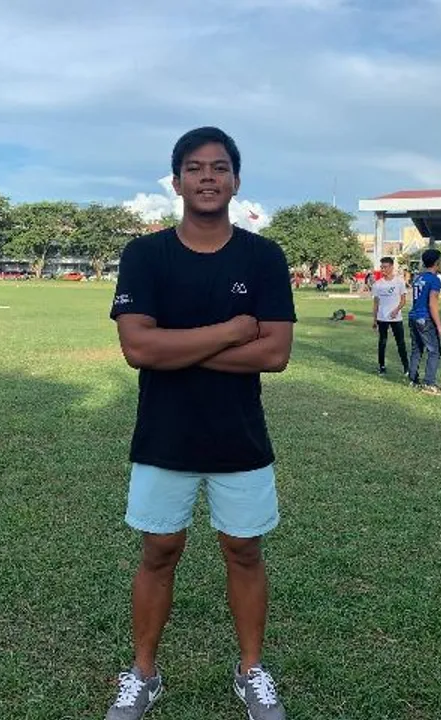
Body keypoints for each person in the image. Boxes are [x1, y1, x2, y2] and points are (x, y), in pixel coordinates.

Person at [107, 127, 295, 720]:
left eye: (219, 167)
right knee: (158, 551)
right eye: (194, 167)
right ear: (177, 181)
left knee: (244, 551)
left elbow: (275, 354)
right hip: (164, 434)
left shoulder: (263, 257)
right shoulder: (146, 255)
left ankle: (251, 671)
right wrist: (233, 331)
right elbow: (138, 348)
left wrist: (176, 348)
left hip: (239, 434)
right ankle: (143, 673)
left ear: (236, 180)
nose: (207, 177)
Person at [407, 249, 441, 395]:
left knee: (417, 349)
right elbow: (432, 304)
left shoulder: (418, 278)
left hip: (413, 316)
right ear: (437, 262)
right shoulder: (434, 280)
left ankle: (413, 379)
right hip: (425, 318)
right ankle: (429, 384)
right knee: (434, 351)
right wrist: (439, 327)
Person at [371, 257, 408, 375]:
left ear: (392, 267)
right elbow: (376, 303)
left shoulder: (399, 282)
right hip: (382, 318)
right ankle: (382, 366)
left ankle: (406, 368)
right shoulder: (377, 284)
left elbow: (403, 300)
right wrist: (374, 319)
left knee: (400, 343)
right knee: (382, 342)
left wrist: (396, 310)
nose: (383, 269)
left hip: (396, 318)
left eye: (385, 267)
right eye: (381, 267)